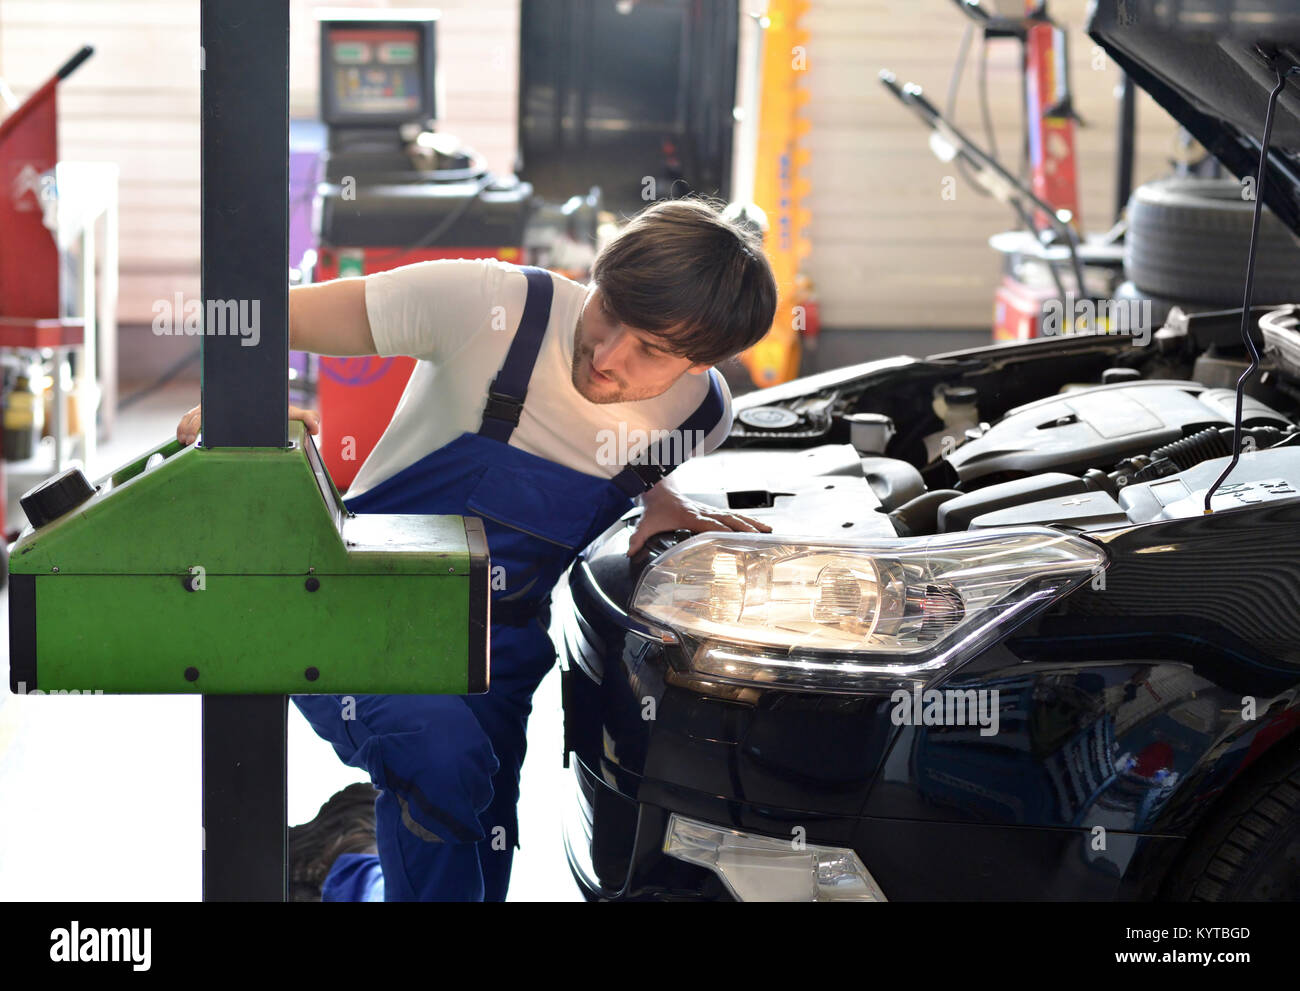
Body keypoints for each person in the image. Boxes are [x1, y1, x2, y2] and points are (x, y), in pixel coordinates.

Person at [176, 195, 779, 901]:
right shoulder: (488, 307)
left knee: (471, 867)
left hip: (500, 645)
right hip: (347, 606)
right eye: (608, 308)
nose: (607, 353)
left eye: (650, 348)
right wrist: (232, 406)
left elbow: (624, 460)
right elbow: (254, 312)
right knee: (440, 757)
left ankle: (345, 862)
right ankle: (359, 858)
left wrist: (660, 498)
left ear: (701, 363)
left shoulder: (701, 416)